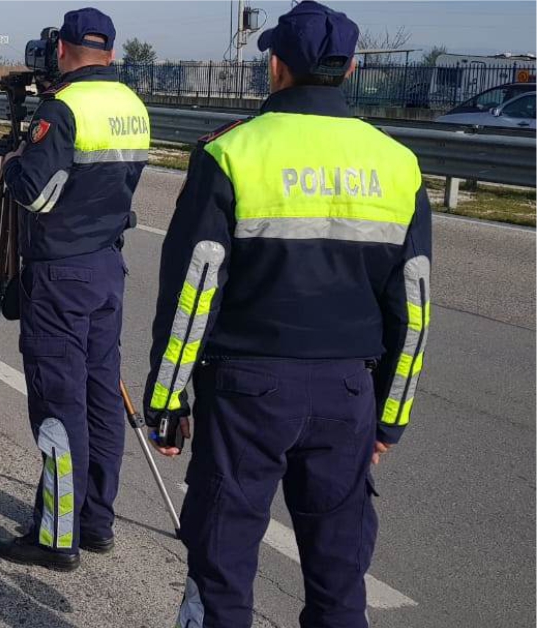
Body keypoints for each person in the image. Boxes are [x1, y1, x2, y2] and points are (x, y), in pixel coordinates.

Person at [141, 2, 432, 626]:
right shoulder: (398, 165)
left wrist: (167, 401)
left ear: (275, 65)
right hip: (348, 393)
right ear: (349, 69)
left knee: (222, 572)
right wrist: (389, 419)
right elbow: (414, 308)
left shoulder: (230, 153)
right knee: (338, 580)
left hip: (246, 393)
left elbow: (194, 292)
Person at [0, 7, 150, 572]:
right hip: (107, 266)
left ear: (61, 49)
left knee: (60, 408)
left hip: (60, 272)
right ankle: (95, 520)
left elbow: (33, 192)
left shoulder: (64, 110)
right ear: (109, 51)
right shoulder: (132, 105)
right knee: (101, 395)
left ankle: (57, 536)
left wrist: (14, 162)